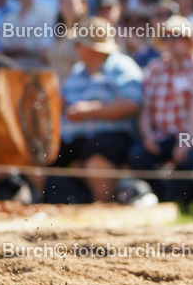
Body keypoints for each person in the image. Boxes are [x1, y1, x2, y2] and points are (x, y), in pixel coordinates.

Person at [129, 16, 193, 204]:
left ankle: (183, 204)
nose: (170, 41)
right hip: (163, 135)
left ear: (188, 40)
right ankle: (160, 199)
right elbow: (146, 108)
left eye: (175, 36)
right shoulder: (155, 68)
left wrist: (187, 140)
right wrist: (147, 135)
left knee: (189, 159)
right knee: (137, 155)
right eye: (166, 36)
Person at [56, 17, 142, 203]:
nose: (75, 48)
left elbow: (132, 103)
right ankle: (59, 202)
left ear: (90, 48)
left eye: (78, 44)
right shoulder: (77, 71)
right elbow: (63, 101)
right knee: (45, 153)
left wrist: (89, 110)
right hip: (75, 137)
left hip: (112, 136)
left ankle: (103, 205)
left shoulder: (122, 67)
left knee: (98, 151)